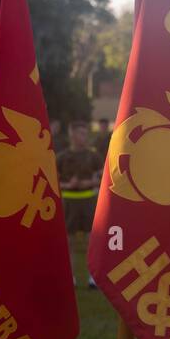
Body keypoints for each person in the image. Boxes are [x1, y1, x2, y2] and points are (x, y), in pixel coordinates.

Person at [59, 120, 104, 288]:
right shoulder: (62, 157)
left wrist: (91, 182)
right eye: (81, 133)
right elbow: (52, 181)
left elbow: (103, 178)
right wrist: (67, 185)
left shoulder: (93, 156)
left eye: (85, 133)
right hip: (69, 202)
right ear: (72, 135)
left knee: (90, 241)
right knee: (69, 242)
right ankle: (71, 278)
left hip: (88, 201)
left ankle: (92, 278)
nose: (84, 137)